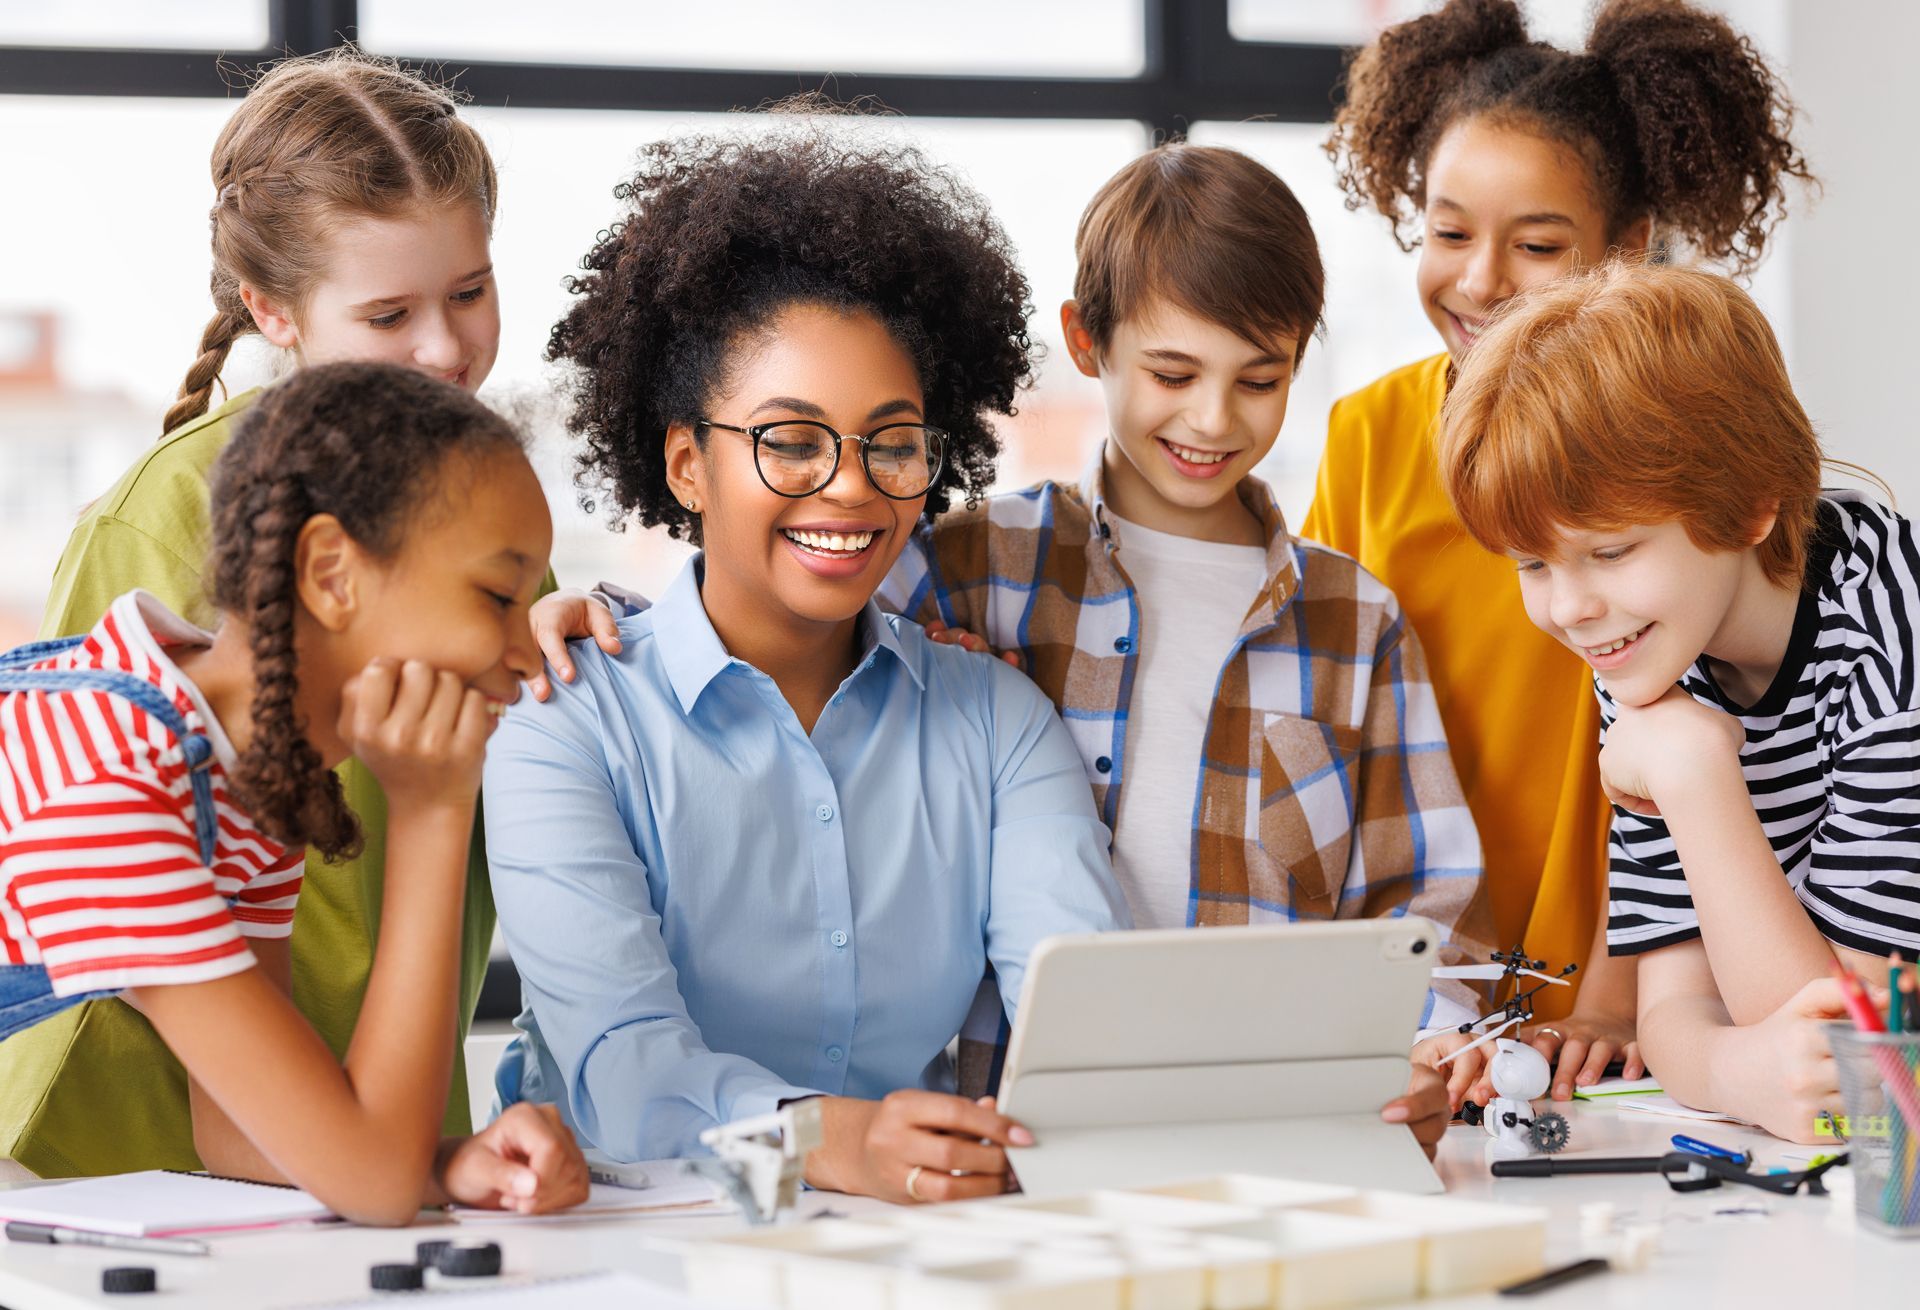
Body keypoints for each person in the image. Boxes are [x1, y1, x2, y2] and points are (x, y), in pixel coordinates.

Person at [534, 142, 1486, 1153]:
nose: (1213, 416)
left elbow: (1419, 908)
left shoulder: (1354, 618)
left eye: (1260, 379)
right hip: (1030, 1135)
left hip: (1289, 1127)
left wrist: (1435, 1042)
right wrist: (599, 614)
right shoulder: (971, 563)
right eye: (1173, 372)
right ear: (1088, 341)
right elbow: (781, 609)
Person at [484, 124, 1131, 1204]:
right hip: (626, 1255)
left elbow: (1088, 1023)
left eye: (893, 441)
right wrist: (837, 1140)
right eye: (790, 439)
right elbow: (627, 1073)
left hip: (913, 1251)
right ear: (688, 462)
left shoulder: (998, 722)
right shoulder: (567, 718)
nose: (850, 487)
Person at [0, 48, 510, 1177]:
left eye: (470, 292)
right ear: (270, 310)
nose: (443, 347)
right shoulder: (152, 566)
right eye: (389, 312)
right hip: (116, 1136)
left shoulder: (466, 508)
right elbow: (107, 868)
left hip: (320, 1120)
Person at [1306, 0, 1812, 1101]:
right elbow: (1329, 719)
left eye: (1537, 245)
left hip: (1629, 989)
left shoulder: (1677, 460)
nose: (1481, 280)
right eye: (1448, 232)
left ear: (1623, 250)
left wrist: (1621, 996)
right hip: (1434, 986)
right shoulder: (1365, 439)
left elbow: (1706, 730)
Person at [0, 363, 587, 1222]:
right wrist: (432, 810)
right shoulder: (116, 788)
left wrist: (446, 1165)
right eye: (497, 596)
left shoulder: (243, 781)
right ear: (330, 574)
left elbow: (242, 1134)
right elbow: (371, 1185)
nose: (526, 653)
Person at [1437, 260, 1910, 1143]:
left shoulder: (1896, 657)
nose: (1569, 609)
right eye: (1533, 564)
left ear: (1751, 504)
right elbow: (1677, 1007)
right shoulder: (1655, 639)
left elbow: (1853, 1060)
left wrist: (1695, 777)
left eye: (1610, 552)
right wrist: (1737, 1073)